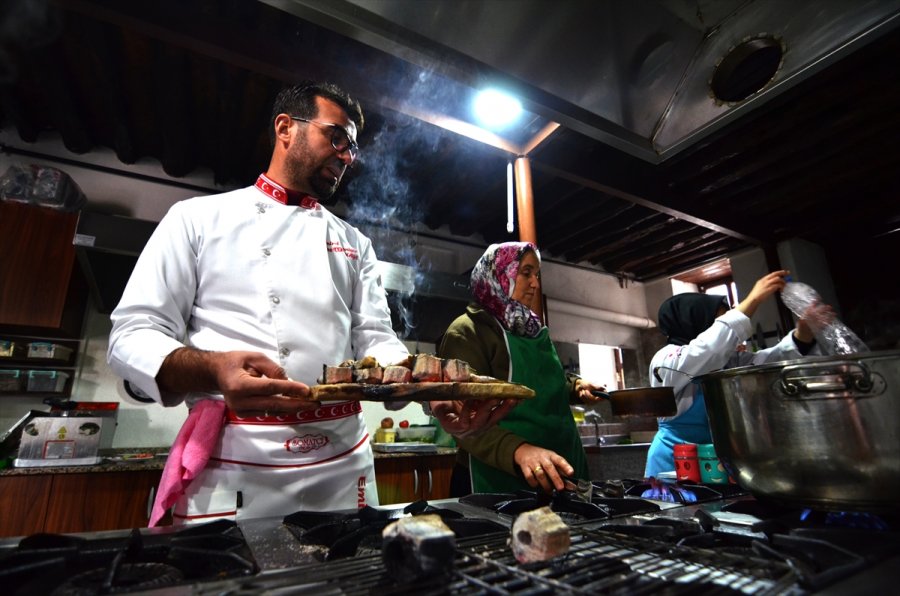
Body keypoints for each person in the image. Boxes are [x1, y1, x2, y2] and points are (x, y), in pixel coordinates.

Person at [107, 81, 516, 526]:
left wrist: (427, 393)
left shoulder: (353, 242)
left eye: (352, 148)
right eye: (336, 137)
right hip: (240, 459)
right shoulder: (197, 219)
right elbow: (132, 335)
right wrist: (212, 368)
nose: (347, 156)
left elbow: (376, 338)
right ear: (285, 128)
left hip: (343, 463)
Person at [437, 242, 605, 495]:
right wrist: (518, 450)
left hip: (560, 465)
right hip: (500, 477)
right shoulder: (468, 331)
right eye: (526, 272)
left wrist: (575, 386)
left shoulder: (531, 327)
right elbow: (463, 417)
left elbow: (542, 382)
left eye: (536, 275)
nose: (535, 284)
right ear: (499, 272)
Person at [644, 270, 829, 477]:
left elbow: (767, 364)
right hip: (672, 464)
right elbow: (708, 350)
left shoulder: (728, 361)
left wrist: (801, 336)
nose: (725, 331)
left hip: (714, 460)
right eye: (719, 321)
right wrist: (753, 299)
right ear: (696, 322)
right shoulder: (665, 360)